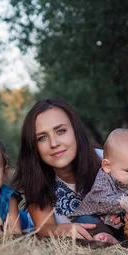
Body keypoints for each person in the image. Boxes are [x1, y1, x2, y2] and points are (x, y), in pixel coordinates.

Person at [12, 98, 118, 243]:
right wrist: (58, 229)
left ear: (75, 131)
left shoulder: (108, 163)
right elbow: (44, 227)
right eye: (42, 137)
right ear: (33, 146)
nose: (54, 143)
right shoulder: (36, 177)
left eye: (61, 131)